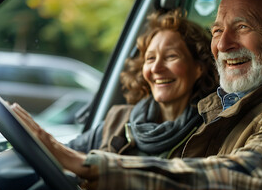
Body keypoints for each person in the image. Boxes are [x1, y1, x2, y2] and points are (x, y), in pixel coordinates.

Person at [12, 0, 262, 190]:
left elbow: (253, 183)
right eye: (216, 30)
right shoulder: (226, 106)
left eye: (242, 26)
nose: (223, 44)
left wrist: (94, 167)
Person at [66, 9, 217, 157]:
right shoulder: (118, 119)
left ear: (199, 68)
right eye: (150, 58)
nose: (156, 68)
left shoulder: (209, 133)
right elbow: (64, 154)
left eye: (171, 56)